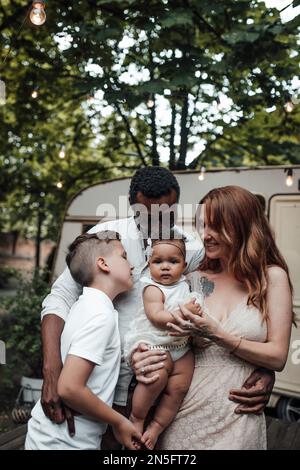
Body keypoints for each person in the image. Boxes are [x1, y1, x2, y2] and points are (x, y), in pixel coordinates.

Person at [40, 167, 275, 449]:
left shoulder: (193, 248)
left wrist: (262, 367)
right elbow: (59, 299)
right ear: (133, 206)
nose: (160, 220)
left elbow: (232, 299)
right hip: (105, 392)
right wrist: (52, 370)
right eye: (149, 215)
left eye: (169, 211)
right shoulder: (104, 239)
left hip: (166, 394)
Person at [157, 186, 293, 450]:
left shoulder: (272, 278)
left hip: (238, 417)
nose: (205, 235)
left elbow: (277, 356)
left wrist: (217, 334)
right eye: (203, 225)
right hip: (185, 413)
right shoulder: (193, 278)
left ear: (241, 224)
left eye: (215, 226)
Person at [25, 231, 141, 450]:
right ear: (103, 264)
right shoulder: (100, 315)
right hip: (65, 442)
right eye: (124, 257)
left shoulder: (85, 306)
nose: (132, 265)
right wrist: (119, 422)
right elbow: (69, 387)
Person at [124, 236, 203, 449]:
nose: (165, 267)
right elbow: (157, 317)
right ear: (149, 264)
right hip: (154, 342)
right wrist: (186, 312)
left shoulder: (186, 286)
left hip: (180, 346)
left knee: (179, 387)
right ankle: (138, 418)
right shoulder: (152, 288)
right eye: (158, 262)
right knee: (154, 378)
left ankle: (157, 426)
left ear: (184, 266)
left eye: (173, 262)